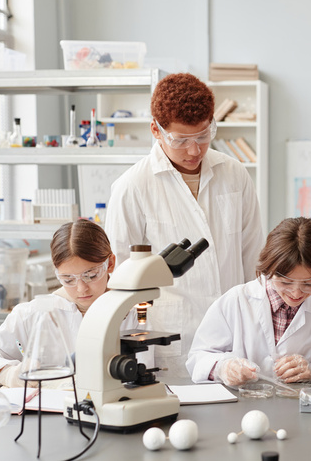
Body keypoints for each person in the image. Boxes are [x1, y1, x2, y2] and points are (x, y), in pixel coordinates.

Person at [105, 73, 264, 378]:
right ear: (156, 129)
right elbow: (121, 277)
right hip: (171, 340)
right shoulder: (132, 187)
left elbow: (253, 256)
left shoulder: (234, 174)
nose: (194, 151)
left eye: (203, 136)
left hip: (234, 336)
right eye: (180, 140)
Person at [0, 219, 147, 387]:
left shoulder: (134, 313)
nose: (81, 288)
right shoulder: (33, 314)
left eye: (90, 275)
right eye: (68, 279)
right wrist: (6, 374)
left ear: (111, 264)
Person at [187, 217, 311, 385]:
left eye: (309, 283)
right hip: (241, 406)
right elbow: (197, 358)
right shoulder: (235, 301)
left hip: (299, 406)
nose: (296, 292)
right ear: (269, 269)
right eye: (285, 282)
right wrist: (222, 367)